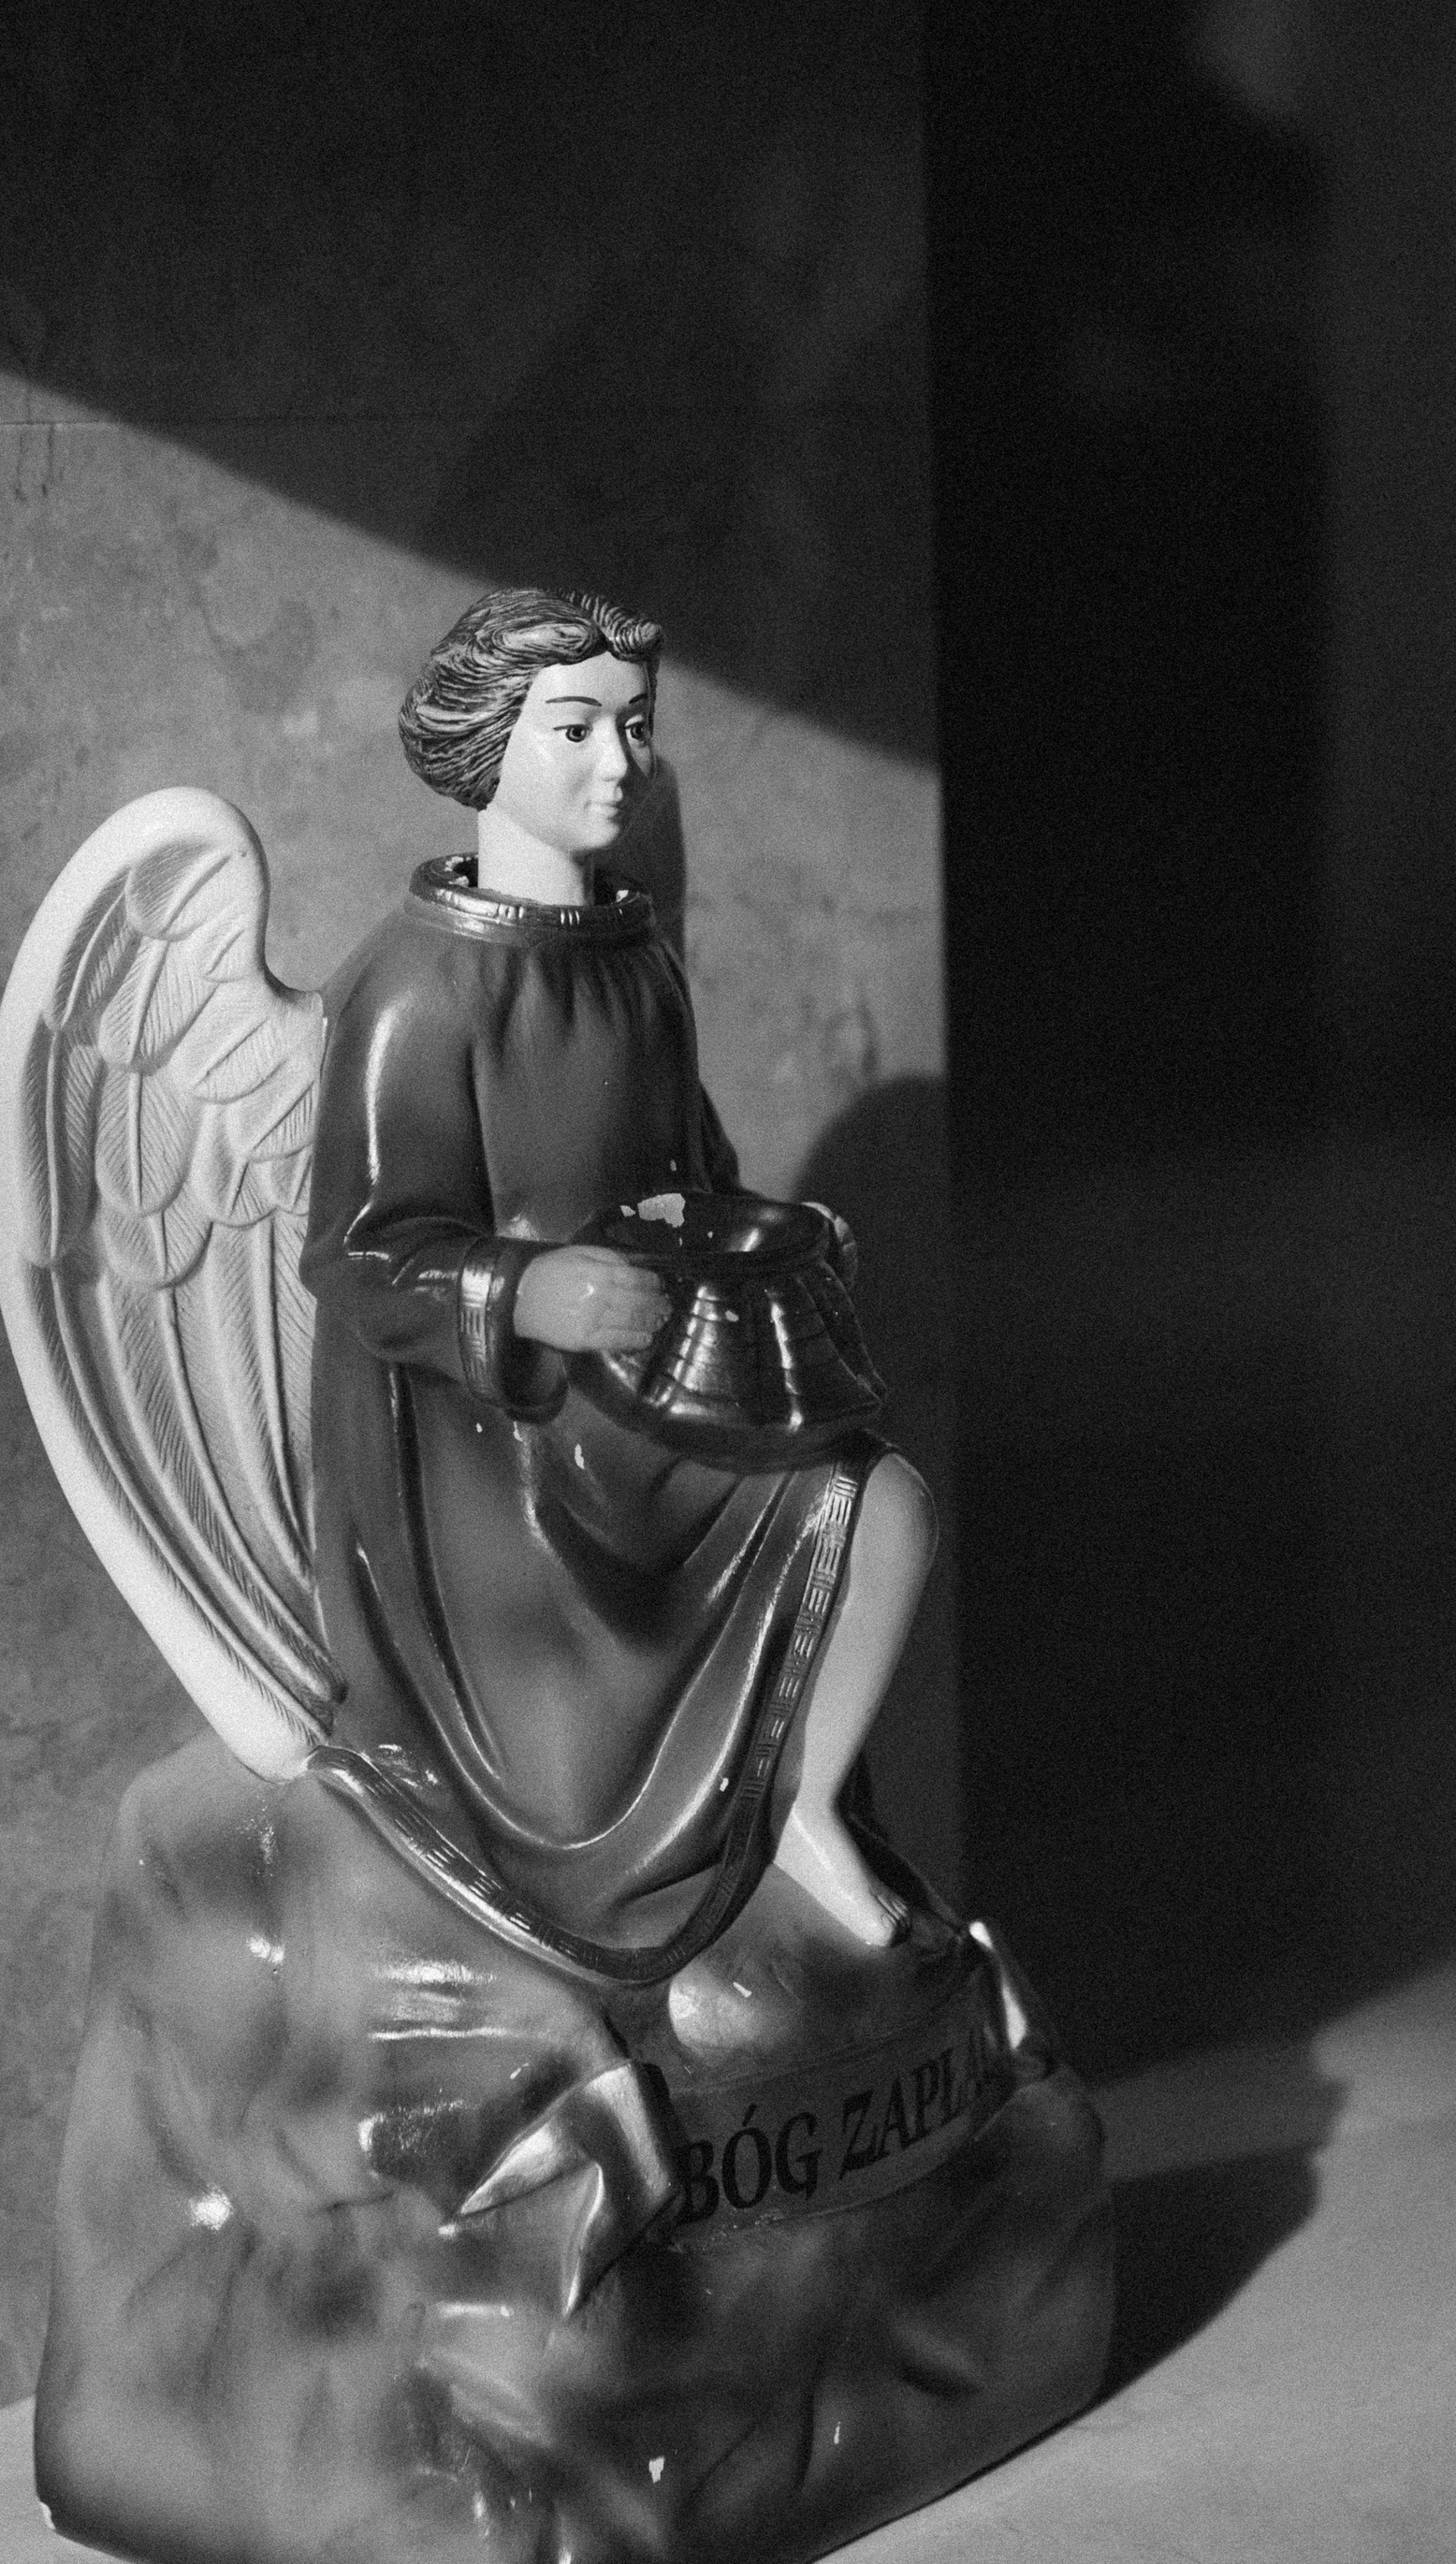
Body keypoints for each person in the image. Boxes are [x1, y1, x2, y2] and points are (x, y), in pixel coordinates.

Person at [300, 588, 936, 1970]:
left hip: (656, 1381)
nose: (621, 764)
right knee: (835, 1525)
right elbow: (360, 1255)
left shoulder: (636, 961)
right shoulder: (418, 987)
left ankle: (803, 1803)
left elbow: (687, 1174)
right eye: (576, 728)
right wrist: (529, 1294)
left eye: (637, 728)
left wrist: (774, 1233)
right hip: (503, 1445)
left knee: (882, 1505)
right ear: (489, 742)